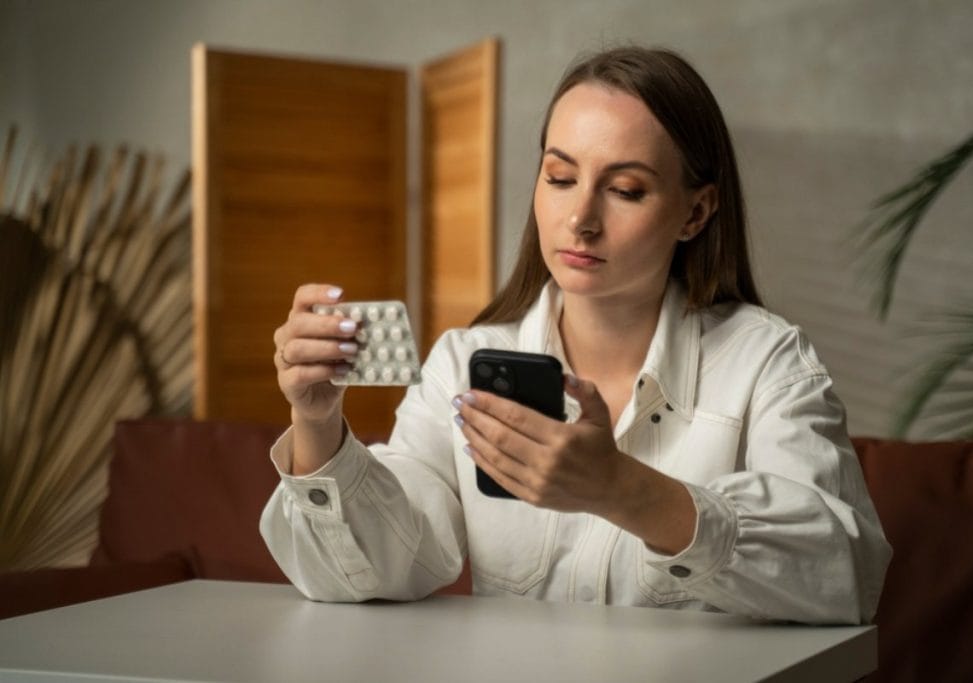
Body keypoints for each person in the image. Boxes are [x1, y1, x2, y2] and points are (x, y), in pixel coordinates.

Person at [261, 46, 891, 624]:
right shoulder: (464, 363)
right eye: (560, 178)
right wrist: (316, 425)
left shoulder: (766, 361)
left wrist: (623, 490)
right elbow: (382, 569)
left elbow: (845, 575)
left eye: (624, 190)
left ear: (695, 213)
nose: (580, 219)